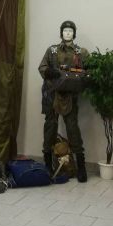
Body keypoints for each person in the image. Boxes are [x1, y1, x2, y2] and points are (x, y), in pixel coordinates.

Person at [38, 20, 89, 182]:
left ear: (74, 33)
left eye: (70, 31)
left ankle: (81, 167)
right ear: (61, 33)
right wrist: (50, 72)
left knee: (73, 128)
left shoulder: (81, 52)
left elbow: (89, 71)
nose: (68, 33)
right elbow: (42, 67)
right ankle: (48, 165)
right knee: (50, 127)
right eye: (65, 30)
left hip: (70, 96)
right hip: (52, 94)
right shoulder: (52, 50)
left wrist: (84, 79)